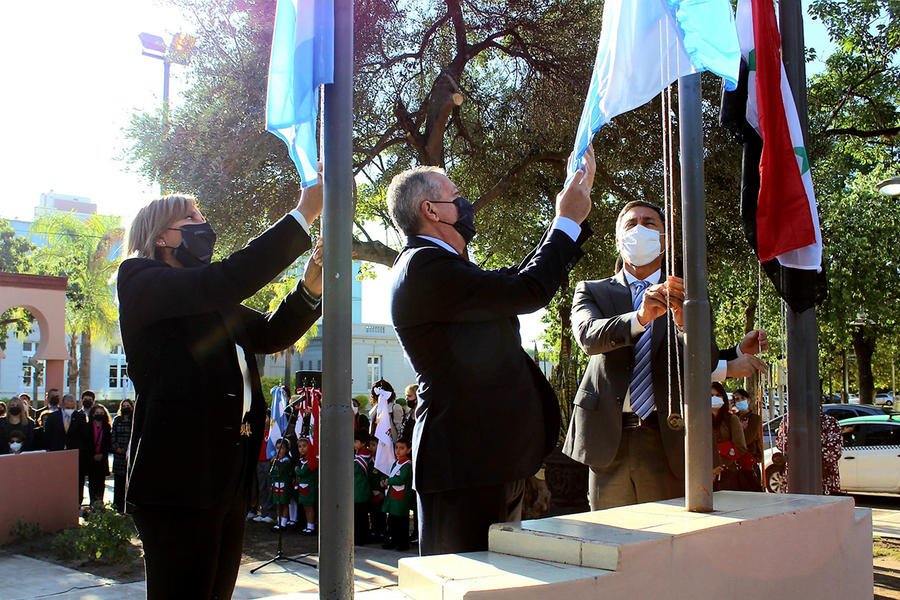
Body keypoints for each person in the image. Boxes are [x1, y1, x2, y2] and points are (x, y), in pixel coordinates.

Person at [116, 179, 323, 599]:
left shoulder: (209, 297)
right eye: (189, 217)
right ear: (160, 236)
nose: (202, 223)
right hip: (178, 481)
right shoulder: (140, 277)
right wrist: (303, 214)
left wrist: (309, 288)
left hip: (225, 478)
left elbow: (268, 334)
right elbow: (224, 280)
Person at [388, 146, 595, 555]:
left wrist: (570, 218)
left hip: (483, 461)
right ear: (431, 209)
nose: (464, 203)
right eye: (455, 195)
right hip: (463, 465)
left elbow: (516, 280)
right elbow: (526, 291)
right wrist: (564, 222)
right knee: (466, 584)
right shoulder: (424, 267)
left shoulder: (444, 266)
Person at [563, 201, 768, 510]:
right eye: (631, 224)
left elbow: (703, 361)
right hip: (607, 439)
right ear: (618, 240)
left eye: (649, 223)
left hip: (667, 440)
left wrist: (687, 323)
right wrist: (641, 317)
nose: (640, 229)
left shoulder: (689, 293)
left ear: (664, 240)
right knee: (609, 536)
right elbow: (589, 337)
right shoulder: (592, 291)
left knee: (665, 541)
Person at [776, 407, 843, 495]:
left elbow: (834, 453)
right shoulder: (787, 421)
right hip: (795, 481)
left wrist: (800, 452)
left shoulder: (830, 422)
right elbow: (782, 445)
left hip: (823, 481)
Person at [44, 394, 90, 503]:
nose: (70, 410)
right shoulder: (52, 417)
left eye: (72, 407)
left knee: (77, 481)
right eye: (67, 408)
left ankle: (77, 502)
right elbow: (48, 437)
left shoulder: (80, 417)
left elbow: (84, 437)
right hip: (57, 455)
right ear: (62, 405)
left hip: (74, 456)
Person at [711, 382, 749, 492]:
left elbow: (740, 448)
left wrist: (718, 466)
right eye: (711, 396)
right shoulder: (700, 419)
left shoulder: (731, 419)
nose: (714, 398)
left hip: (727, 474)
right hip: (703, 475)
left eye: (718, 395)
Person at [381, 439, 413, 551]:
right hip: (393, 497)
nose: (398, 451)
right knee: (392, 520)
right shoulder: (396, 463)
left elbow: (401, 479)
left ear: (408, 450)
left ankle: (403, 543)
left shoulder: (407, 465)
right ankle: (393, 541)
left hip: (401, 498)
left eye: (402, 448)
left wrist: (388, 481)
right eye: (396, 448)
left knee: (401, 522)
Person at [732, 388, 763, 491]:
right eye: (737, 399)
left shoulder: (755, 418)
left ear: (748, 400)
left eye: (742, 398)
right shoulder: (732, 418)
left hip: (749, 461)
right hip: (734, 462)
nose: (740, 401)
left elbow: (748, 438)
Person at [252, 409, 276, 524]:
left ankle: (271, 514)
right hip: (259, 462)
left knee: (269, 486)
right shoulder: (259, 432)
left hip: (268, 462)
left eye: (265, 417)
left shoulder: (272, 431)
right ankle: (264, 512)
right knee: (261, 488)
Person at [85, 403, 112, 505]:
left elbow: (108, 442)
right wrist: (93, 455)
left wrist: (102, 454)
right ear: (92, 414)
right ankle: (92, 503)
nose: (99, 414)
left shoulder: (107, 427)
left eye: (101, 413)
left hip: (102, 459)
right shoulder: (87, 427)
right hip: (91, 459)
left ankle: (100, 502)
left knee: (101, 482)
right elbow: (86, 443)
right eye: (97, 413)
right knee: (92, 483)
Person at [110, 400, 133, 512]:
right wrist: (117, 448)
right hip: (118, 455)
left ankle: (127, 508)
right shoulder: (117, 420)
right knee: (118, 483)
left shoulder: (134, 420)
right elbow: (113, 435)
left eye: (128, 406)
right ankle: (117, 507)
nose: (125, 408)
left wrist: (128, 450)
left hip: (129, 456)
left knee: (127, 483)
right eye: (123, 406)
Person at [268, 438, 293, 531]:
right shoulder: (275, 460)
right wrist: (272, 463)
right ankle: (278, 522)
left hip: (284, 485)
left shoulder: (286, 461)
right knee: (278, 504)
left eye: (282, 448)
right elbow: (271, 472)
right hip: (276, 484)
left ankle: (283, 523)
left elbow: (281, 470)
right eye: (277, 448)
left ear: (286, 450)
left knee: (284, 503)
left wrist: (276, 462)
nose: (279, 450)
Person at [294, 437, 317, 535]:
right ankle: (308, 525)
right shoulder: (302, 460)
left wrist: (297, 470)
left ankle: (311, 526)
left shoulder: (312, 461)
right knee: (305, 507)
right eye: (299, 447)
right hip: (303, 488)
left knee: (310, 507)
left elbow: (304, 472)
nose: (302, 449)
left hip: (310, 488)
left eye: (304, 446)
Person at [353, 431, 372, 545]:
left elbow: (353, 469)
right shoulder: (358, 455)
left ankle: (361, 538)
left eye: (356, 441)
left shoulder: (362, 457)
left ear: (363, 443)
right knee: (359, 516)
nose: (353, 444)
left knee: (361, 517)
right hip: (357, 491)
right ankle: (360, 537)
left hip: (361, 490)